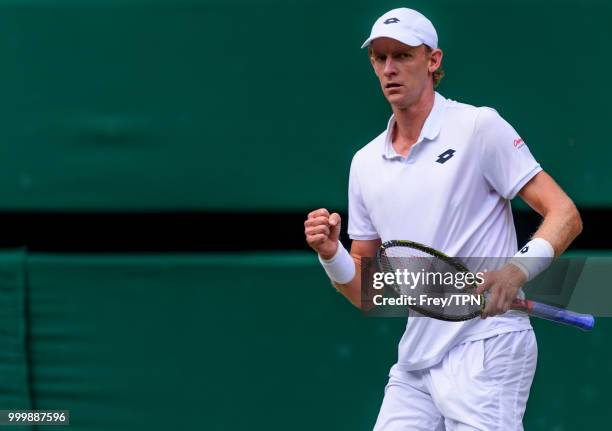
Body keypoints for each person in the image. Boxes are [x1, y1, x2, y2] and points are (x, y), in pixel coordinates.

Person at [303, 7, 583, 431]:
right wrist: (329, 254)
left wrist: (515, 271)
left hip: (488, 346)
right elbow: (367, 292)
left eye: (403, 55)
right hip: (416, 362)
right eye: (380, 58)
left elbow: (564, 213)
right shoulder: (364, 164)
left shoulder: (478, 127)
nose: (390, 68)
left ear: (433, 61)